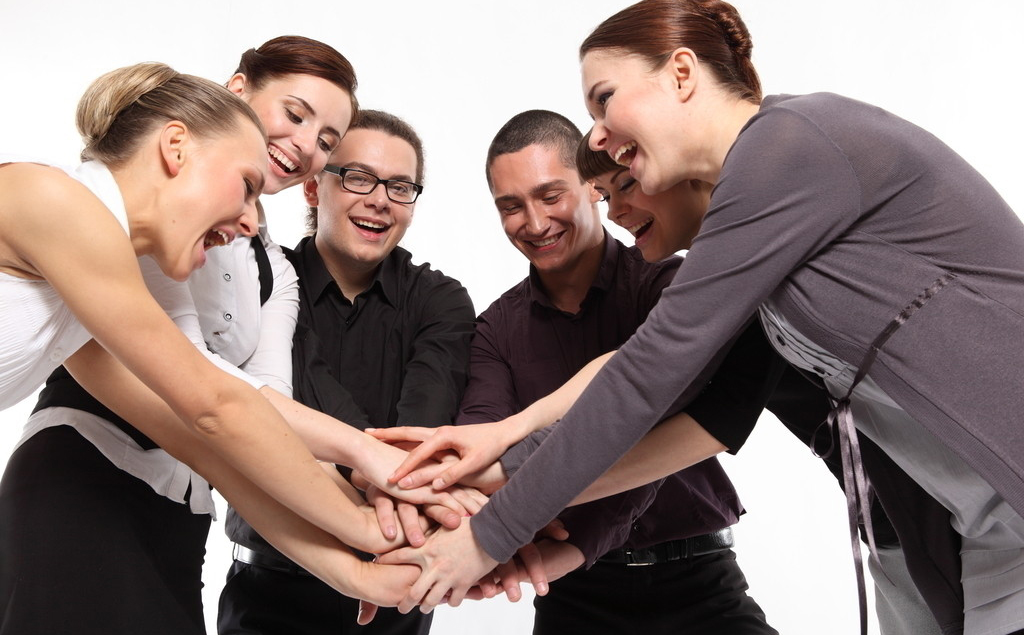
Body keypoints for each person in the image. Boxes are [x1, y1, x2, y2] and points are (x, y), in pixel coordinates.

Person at [377, 0, 1024, 635]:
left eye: (604, 99)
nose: (595, 136)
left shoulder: (790, 145)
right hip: (963, 527)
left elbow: (650, 376)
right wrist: (502, 442)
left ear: (681, 73)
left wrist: (488, 532)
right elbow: (654, 375)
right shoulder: (754, 225)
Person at [0, 44, 448, 635]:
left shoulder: (95, 299)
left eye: (326, 140)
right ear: (176, 145)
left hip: (178, 510)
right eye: (244, 184)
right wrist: (368, 490)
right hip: (78, 493)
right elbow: (214, 403)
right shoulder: (53, 200)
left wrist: (355, 570)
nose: (250, 220)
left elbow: (219, 438)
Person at [576, 136, 960, 635]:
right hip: (891, 527)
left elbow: (718, 418)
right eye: (605, 195)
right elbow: (644, 380)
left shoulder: (771, 245)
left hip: (957, 517)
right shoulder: (712, 279)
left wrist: (536, 499)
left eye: (627, 183)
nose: (614, 212)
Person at [456, 108, 776, 634]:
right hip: (572, 596)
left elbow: (643, 423)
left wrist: (569, 534)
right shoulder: (495, 328)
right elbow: (482, 445)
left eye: (550, 195)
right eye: (511, 206)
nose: (534, 223)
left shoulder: (670, 285)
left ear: (592, 186)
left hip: (697, 578)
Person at [217, 109, 477, 635]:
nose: (380, 199)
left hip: (399, 589)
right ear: (314, 189)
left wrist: (385, 472)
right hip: (269, 587)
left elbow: (420, 438)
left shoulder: (441, 300)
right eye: (359, 177)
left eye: (400, 187)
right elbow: (279, 400)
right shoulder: (263, 281)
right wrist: (374, 468)